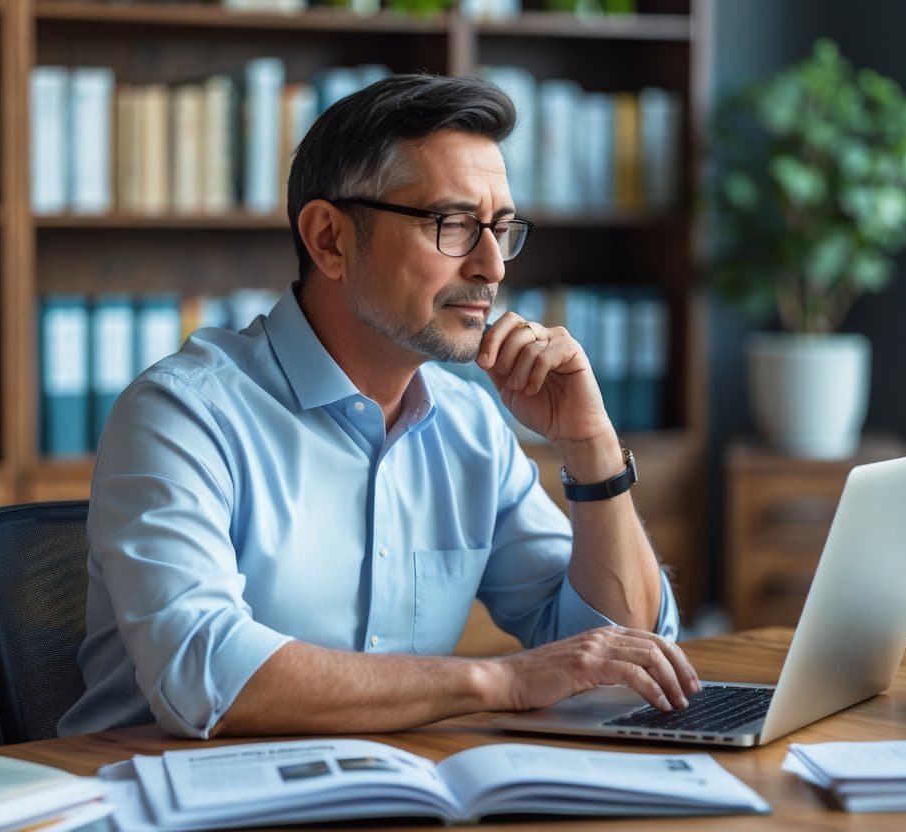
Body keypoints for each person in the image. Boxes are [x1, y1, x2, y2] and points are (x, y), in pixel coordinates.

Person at [57, 74, 698, 740]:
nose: (491, 267)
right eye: (451, 225)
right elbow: (206, 676)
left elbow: (617, 649)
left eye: (501, 230)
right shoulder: (180, 416)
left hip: (387, 791)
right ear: (329, 239)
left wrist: (591, 448)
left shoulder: (469, 424)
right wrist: (500, 681)